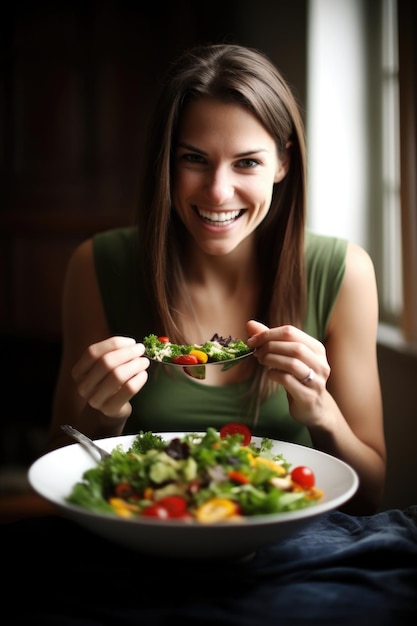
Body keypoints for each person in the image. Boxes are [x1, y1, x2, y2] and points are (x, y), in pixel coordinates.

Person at [46, 42, 386, 516]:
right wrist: (105, 416)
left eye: (247, 162)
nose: (218, 192)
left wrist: (322, 413)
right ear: (166, 161)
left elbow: (373, 493)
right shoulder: (97, 264)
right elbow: (59, 471)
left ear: (283, 163)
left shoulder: (346, 271)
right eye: (194, 159)